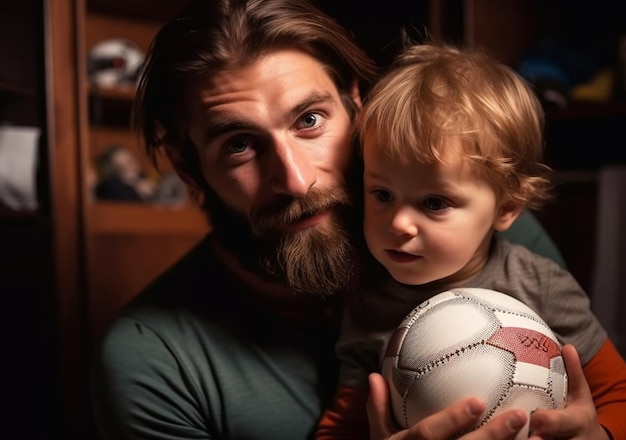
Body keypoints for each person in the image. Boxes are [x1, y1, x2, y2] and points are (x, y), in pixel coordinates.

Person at [90, 1, 578, 439]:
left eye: (309, 120)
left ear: (355, 102)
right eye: (239, 144)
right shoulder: (154, 363)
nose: (296, 180)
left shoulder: (470, 226)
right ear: (187, 167)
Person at [315, 43, 626, 439]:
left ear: (506, 209)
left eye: (434, 202)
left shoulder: (542, 287)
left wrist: (599, 435)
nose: (398, 222)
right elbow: (340, 427)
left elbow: (619, 394)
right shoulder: (367, 299)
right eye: (382, 195)